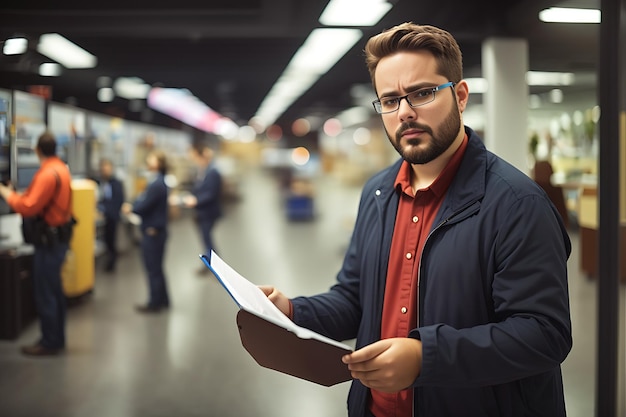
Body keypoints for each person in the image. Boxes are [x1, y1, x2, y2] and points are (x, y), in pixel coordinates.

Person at [261, 22, 572, 417]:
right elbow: (356, 299)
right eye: (389, 100)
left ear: (460, 96)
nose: (404, 112)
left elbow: (544, 335)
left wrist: (428, 357)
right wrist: (292, 310)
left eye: (422, 93)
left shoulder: (516, 204)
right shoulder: (378, 193)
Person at [0, 132, 74, 356]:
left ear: (37, 150)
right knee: (54, 291)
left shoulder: (47, 174)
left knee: (45, 293)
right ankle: (56, 337)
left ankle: (50, 342)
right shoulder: (60, 168)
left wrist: (6, 193)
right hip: (58, 239)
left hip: (48, 243)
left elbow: (29, 206)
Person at [122, 150, 170, 313]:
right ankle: (164, 300)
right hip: (157, 231)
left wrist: (131, 208)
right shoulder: (158, 181)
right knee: (157, 268)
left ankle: (154, 303)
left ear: (159, 163)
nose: (148, 160)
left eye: (152, 158)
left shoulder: (156, 184)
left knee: (153, 269)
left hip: (153, 232)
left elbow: (144, 205)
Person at [183, 142, 223, 273]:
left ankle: (216, 268)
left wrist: (196, 201)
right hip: (202, 212)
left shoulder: (212, 172)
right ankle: (210, 264)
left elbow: (211, 194)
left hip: (209, 212)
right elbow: (199, 188)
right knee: (206, 239)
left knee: (207, 239)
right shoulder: (203, 171)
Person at [96, 158, 125, 272]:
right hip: (104, 215)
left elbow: (119, 200)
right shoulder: (101, 183)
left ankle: (111, 262)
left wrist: (109, 211)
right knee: (106, 240)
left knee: (111, 240)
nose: (105, 170)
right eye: (103, 168)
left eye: (107, 168)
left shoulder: (116, 183)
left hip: (112, 216)